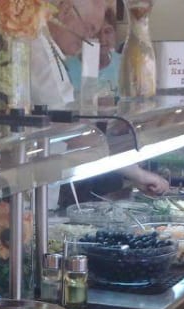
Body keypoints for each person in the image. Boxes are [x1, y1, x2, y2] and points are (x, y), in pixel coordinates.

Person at [34, 0, 168, 199]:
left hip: (48, 184)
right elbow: (72, 133)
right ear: (66, 11)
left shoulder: (51, 52)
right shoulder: (38, 51)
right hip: (34, 186)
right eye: (90, 29)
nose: (90, 38)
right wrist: (136, 173)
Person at [65, 8, 121, 97]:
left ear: (115, 33)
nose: (102, 39)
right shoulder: (67, 69)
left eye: (107, 31)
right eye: (96, 32)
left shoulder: (124, 64)